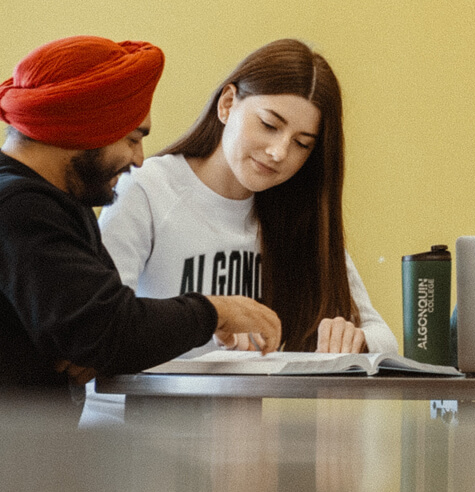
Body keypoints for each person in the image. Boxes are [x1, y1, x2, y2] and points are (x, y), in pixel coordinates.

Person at [0, 35, 281, 411]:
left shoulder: (62, 203)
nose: (139, 159)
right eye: (132, 139)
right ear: (85, 128)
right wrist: (217, 311)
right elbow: (107, 328)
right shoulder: (21, 206)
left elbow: (102, 329)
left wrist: (101, 342)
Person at [98, 39, 397, 355]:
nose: (279, 152)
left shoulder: (297, 212)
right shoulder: (147, 188)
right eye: (269, 125)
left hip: (259, 390)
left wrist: (355, 339)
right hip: (151, 389)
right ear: (227, 104)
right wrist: (215, 318)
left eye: (302, 144)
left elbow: (384, 338)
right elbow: (101, 327)